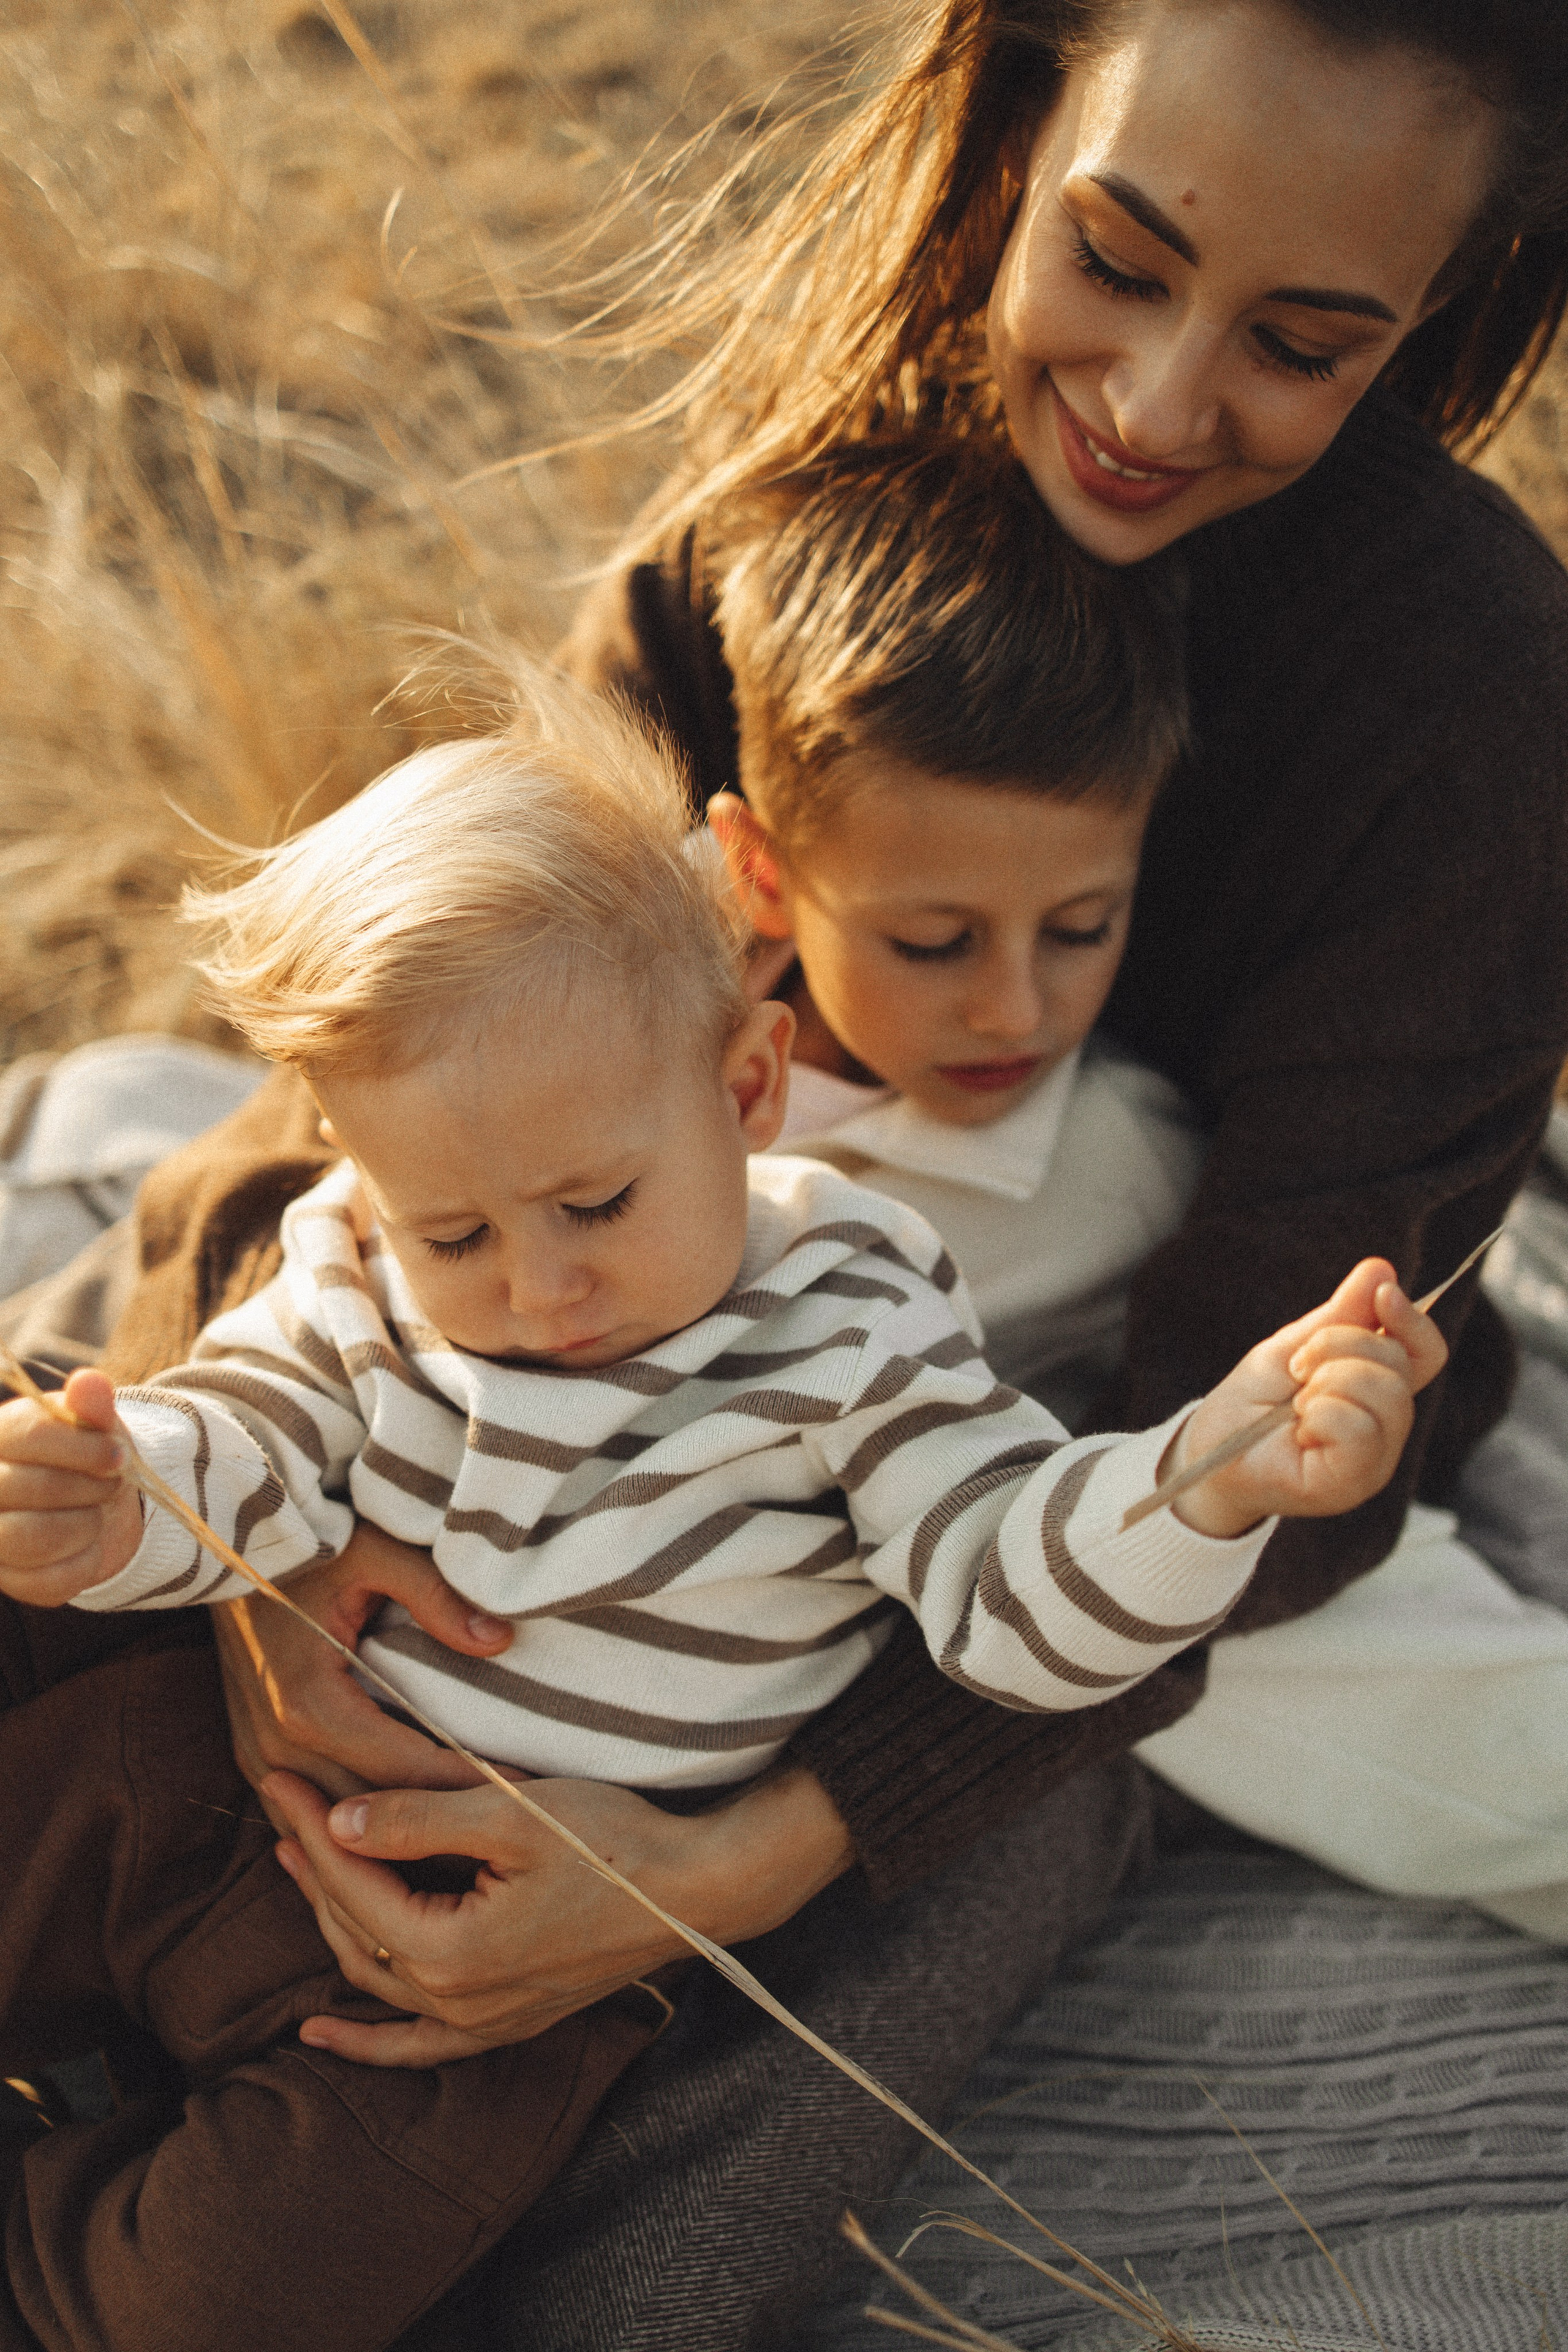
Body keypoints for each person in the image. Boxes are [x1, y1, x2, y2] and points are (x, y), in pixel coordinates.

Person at [6, 1, 1568, 2342]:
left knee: (1197, 1737)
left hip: (1082, 1419)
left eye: (1302, 343)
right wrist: (255, 1576)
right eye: (1119, 259)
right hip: (652, 1253)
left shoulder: (1469, 693)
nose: (1157, 401)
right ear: (1017, 124)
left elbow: (1251, 1434)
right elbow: (389, 1082)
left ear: (1447, 309)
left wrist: (740, 1857)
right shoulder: (781, 523)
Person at [0, 657, 1444, 2352]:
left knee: (230, 2295)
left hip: (477, 1980)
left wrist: (1204, 1481)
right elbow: (247, 1429)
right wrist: (120, 1501)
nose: (539, 1286)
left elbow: (1004, 1587)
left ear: (748, 1091)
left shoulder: (848, 1320)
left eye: (599, 1205)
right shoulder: (353, 1258)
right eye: (458, 1234)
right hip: (184, 1779)